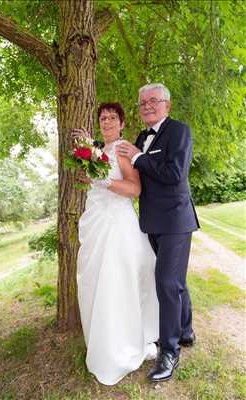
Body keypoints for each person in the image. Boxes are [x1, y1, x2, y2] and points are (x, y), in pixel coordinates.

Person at [116, 83, 200, 382]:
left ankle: (169, 350)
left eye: (153, 101)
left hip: (176, 220)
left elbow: (175, 173)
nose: (147, 106)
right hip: (151, 221)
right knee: (175, 280)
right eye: (142, 103)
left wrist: (139, 157)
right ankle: (186, 331)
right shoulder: (141, 136)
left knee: (166, 282)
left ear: (167, 104)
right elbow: (140, 178)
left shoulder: (179, 131)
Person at [73, 102, 159, 386]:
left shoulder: (122, 149)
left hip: (116, 226)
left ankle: (118, 347)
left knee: (114, 283)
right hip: (96, 222)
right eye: (103, 118)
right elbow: (98, 163)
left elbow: (134, 189)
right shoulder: (103, 150)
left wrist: (101, 181)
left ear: (122, 123)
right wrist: (88, 149)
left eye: (112, 118)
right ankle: (101, 340)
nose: (107, 121)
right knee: (95, 281)